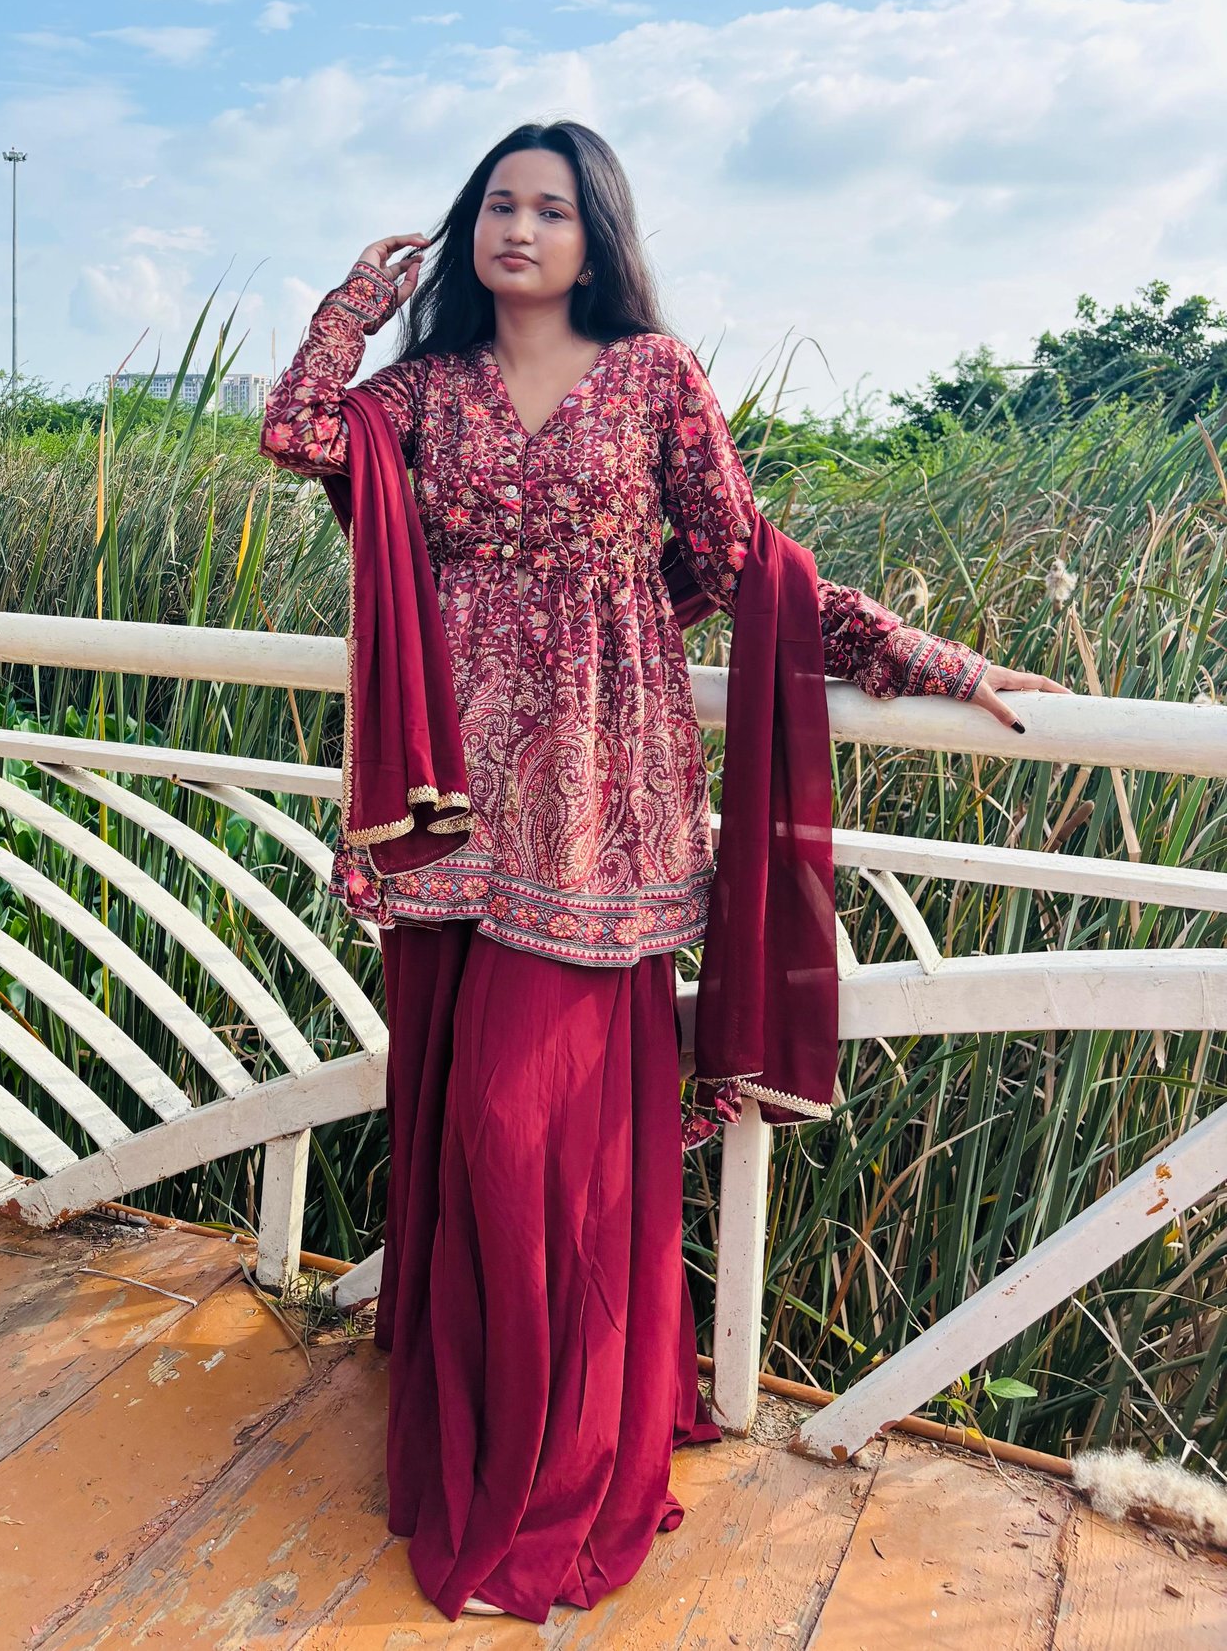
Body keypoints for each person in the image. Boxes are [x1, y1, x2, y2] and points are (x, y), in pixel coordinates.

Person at [258, 121, 1066, 1625]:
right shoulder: (425, 390)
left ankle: (556, 1459)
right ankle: (463, 1421)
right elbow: (303, 432)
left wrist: (915, 655)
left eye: (552, 209)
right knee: (448, 1112)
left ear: (597, 237)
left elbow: (746, 559)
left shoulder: (653, 377)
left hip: (601, 803)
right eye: (498, 204)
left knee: (520, 1129)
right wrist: (357, 305)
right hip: (449, 802)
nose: (520, 228)